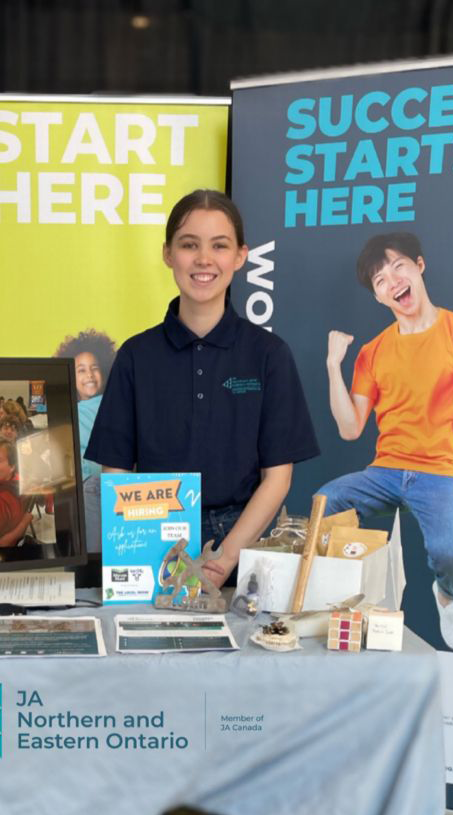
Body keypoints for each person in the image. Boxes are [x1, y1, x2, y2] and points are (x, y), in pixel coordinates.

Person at [85, 189, 319, 588]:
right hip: (151, 537)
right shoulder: (135, 356)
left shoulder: (268, 355)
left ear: (241, 256)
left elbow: (278, 477)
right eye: (189, 245)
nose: (204, 259)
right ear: (168, 254)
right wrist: (143, 548)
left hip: (244, 540)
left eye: (220, 246)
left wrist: (226, 556)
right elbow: (116, 472)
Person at [317, 232, 453, 651]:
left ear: (419, 265)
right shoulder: (373, 352)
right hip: (386, 471)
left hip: (439, 472)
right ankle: (338, 601)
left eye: (398, 267)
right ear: (379, 298)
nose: (392, 281)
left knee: (450, 553)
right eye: (380, 280)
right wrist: (332, 365)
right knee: (324, 503)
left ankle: (448, 595)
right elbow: (350, 428)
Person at [54, 329, 118, 557]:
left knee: (94, 553)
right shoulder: (75, 409)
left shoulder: (98, 405)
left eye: (95, 368)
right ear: (71, 375)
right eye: (81, 370)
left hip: (95, 487)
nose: (89, 375)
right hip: (85, 490)